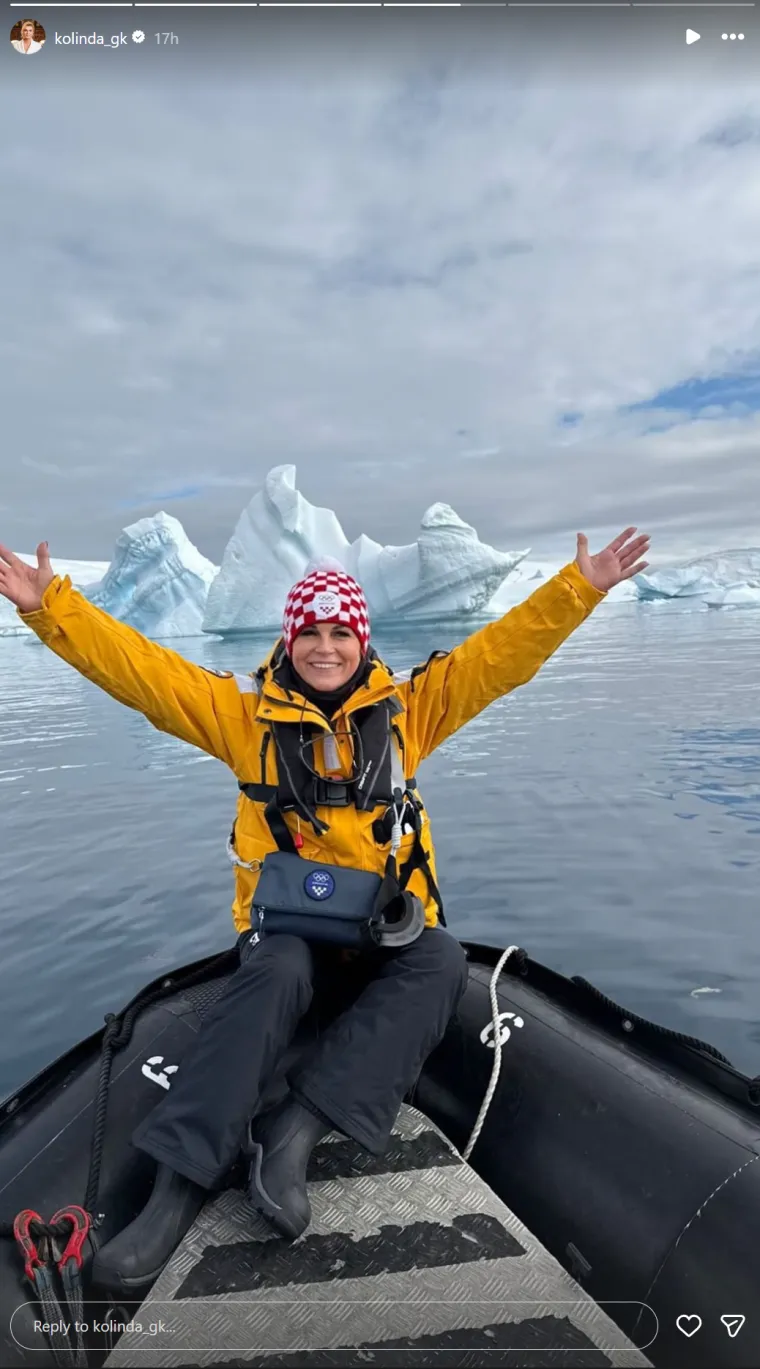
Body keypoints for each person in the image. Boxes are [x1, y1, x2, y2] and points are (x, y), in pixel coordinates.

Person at [0, 525, 649, 1296]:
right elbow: (144, 674)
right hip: (288, 937)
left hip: (381, 935)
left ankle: (293, 1133)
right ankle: (173, 1193)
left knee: (440, 957)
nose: (326, 647)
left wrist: (579, 588)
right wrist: (54, 609)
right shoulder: (243, 716)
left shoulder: (411, 710)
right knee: (276, 967)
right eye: (311, 631)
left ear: (361, 638)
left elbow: (501, 656)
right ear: (290, 637)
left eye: (341, 631)